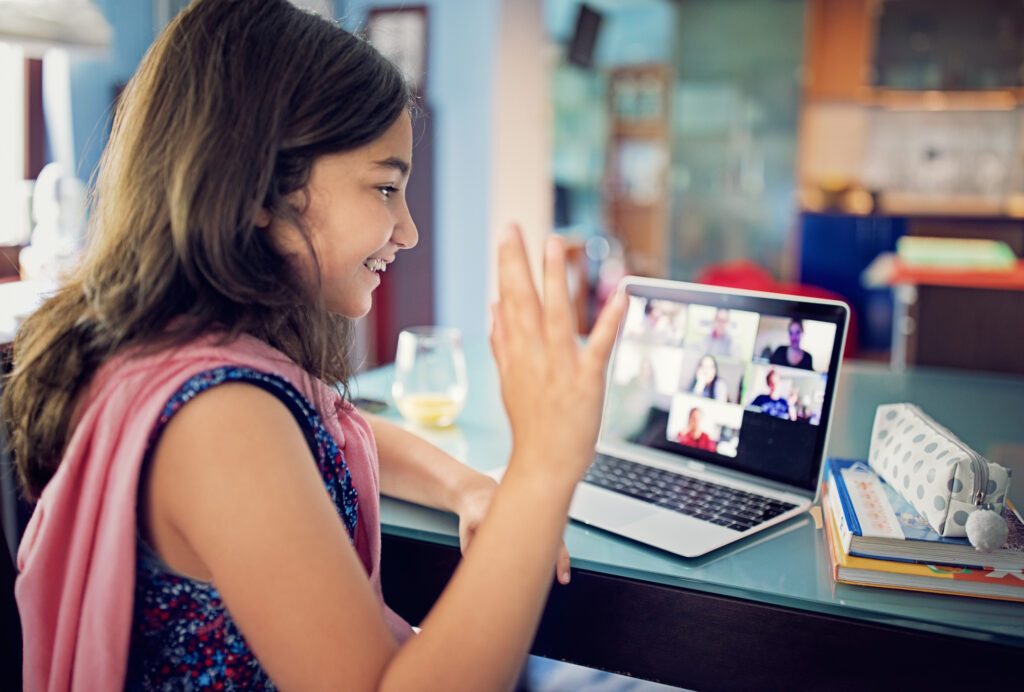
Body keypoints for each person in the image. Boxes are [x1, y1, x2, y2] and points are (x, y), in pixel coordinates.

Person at [0, 2, 627, 690]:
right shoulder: (222, 422)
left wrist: (467, 486)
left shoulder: (178, 358)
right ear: (262, 187)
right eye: (385, 188)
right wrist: (542, 467)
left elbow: (334, 425)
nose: (408, 230)